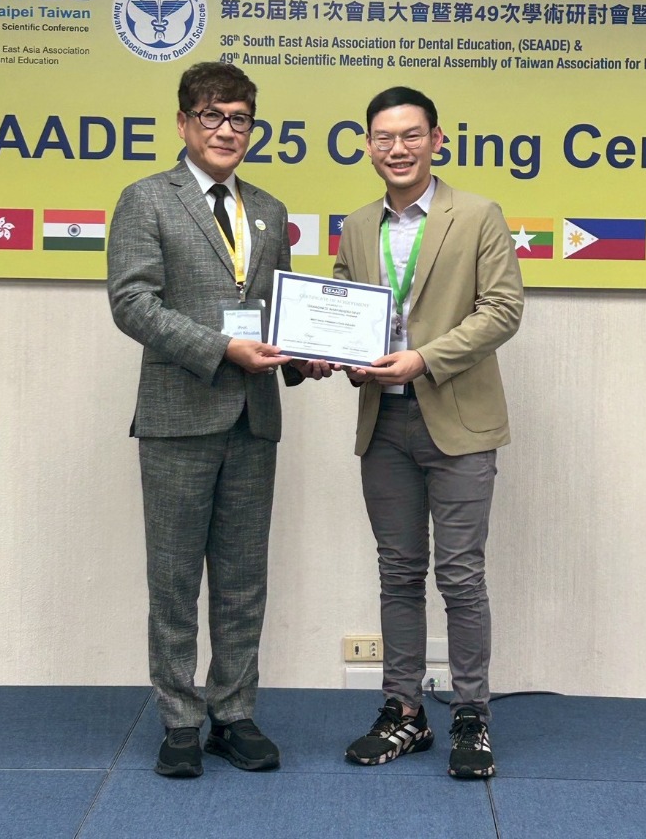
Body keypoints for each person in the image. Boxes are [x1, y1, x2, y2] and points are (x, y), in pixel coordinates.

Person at [107, 61, 325, 779]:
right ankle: (179, 719)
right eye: (212, 116)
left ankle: (233, 713)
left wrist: (304, 358)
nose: (227, 130)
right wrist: (221, 349)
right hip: (179, 415)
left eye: (240, 119)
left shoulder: (268, 208)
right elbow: (132, 303)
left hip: (253, 418)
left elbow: (279, 314)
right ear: (183, 123)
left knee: (242, 579)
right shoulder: (146, 200)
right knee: (173, 580)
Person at [333, 85, 524, 779]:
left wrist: (424, 359)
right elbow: (342, 302)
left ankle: (472, 715)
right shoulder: (358, 226)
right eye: (384, 137)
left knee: (461, 576)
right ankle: (404, 711)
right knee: (398, 573)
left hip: (459, 420)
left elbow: (502, 309)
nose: (398, 148)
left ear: (437, 141)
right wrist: (337, 356)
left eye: (411, 135)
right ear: (367, 147)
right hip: (384, 420)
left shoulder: (477, 215)